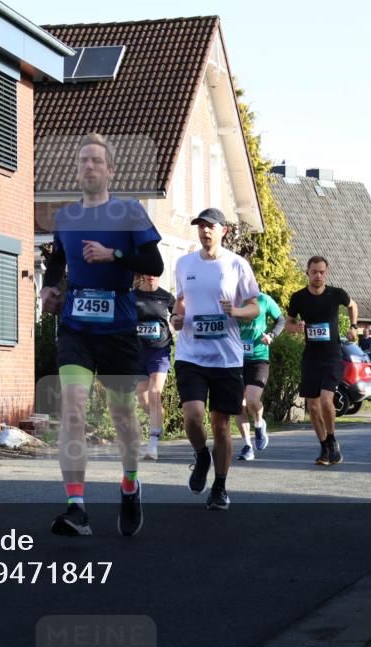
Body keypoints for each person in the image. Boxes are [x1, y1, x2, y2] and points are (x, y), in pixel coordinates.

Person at [39, 133, 164, 537]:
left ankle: (130, 483)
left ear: (111, 170)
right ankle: (76, 506)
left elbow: (155, 262)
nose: (89, 166)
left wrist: (115, 256)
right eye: (83, 161)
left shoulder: (129, 212)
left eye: (96, 161)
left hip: (120, 327)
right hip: (76, 325)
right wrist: (50, 287)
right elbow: (57, 259)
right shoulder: (66, 218)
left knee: (123, 414)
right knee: (72, 408)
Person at [170, 208, 259, 509]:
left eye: (210, 227)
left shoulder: (237, 265)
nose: (205, 231)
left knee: (221, 425)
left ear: (224, 231)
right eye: (200, 227)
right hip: (191, 353)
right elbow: (180, 302)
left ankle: (219, 487)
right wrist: (176, 319)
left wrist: (236, 312)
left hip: (226, 359)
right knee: (193, 415)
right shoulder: (184, 264)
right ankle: (200, 455)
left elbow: (255, 307)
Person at [285, 256, 359, 465]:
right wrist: (295, 328)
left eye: (322, 272)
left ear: (326, 273)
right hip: (311, 357)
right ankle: (325, 447)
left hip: (332, 355)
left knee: (326, 400)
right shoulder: (298, 297)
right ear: (307, 273)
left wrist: (353, 327)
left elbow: (353, 306)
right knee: (313, 407)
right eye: (314, 272)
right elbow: (288, 323)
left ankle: (333, 439)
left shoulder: (336, 294)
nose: (318, 276)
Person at [234, 291, 286, 461]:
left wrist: (271, 335)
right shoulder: (231, 299)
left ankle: (258, 422)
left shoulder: (264, 299)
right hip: (235, 360)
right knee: (237, 404)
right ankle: (248, 446)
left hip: (258, 359)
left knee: (251, 400)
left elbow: (281, 320)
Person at [134, 273, 175, 461]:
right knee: (144, 401)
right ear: (142, 275)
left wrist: (179, 319)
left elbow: (178, 317)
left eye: (155, 273)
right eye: (147, 273)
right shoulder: (131, 296)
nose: (151, 277)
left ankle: (152, 444)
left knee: (154, 392)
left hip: (160, 351)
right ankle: (159, 419)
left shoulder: (166, 297)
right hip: (138, 352)